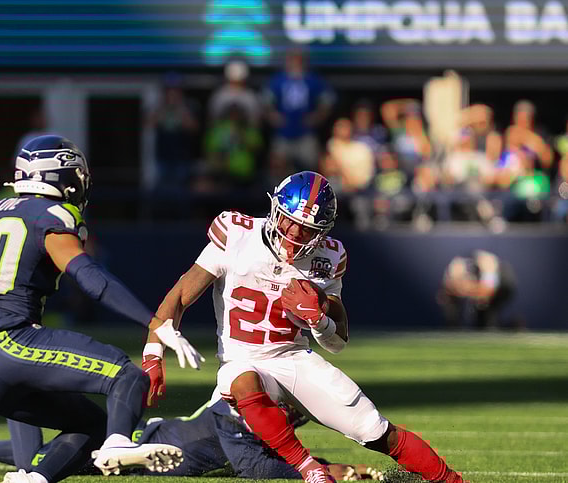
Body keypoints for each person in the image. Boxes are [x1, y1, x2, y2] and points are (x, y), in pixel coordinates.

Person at [143, 171, 465, 483]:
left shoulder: (328, 258)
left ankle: (452, 480)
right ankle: (309, 468)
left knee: (376, 431)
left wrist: (320, 319)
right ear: (275, 211)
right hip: (242, 358)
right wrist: (153, 350)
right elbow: (181, 294)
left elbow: (338, 341)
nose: (294, 235)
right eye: (290, 222)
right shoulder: (236, 235)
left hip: (293, 358)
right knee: (239, 379)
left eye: (307, 230)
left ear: (322, 232)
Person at [0, 135, 205, 483]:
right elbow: (92, 279)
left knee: (92, 425)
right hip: (12, 341)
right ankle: (119, 446)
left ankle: (32, 479)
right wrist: (154, 322)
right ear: (56, 176)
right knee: (127, 375)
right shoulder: (51, 216)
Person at [0, 397, 385, 481]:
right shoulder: (239, 409)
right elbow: (255, 466)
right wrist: (325, 471)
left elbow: (276, 453)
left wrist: (331, 465)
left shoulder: (255, 406)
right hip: (149, 446)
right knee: (65, 460)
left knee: (67, 457)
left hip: (162, 441)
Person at [437, 250, 518, 330]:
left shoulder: (487, 263)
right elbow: (447, 290)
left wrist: (470, 291)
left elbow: (489, 289)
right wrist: (460, 290)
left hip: (503, 284)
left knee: (486, 317)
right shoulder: (456, 267)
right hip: (481, 286)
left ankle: (513, 327)